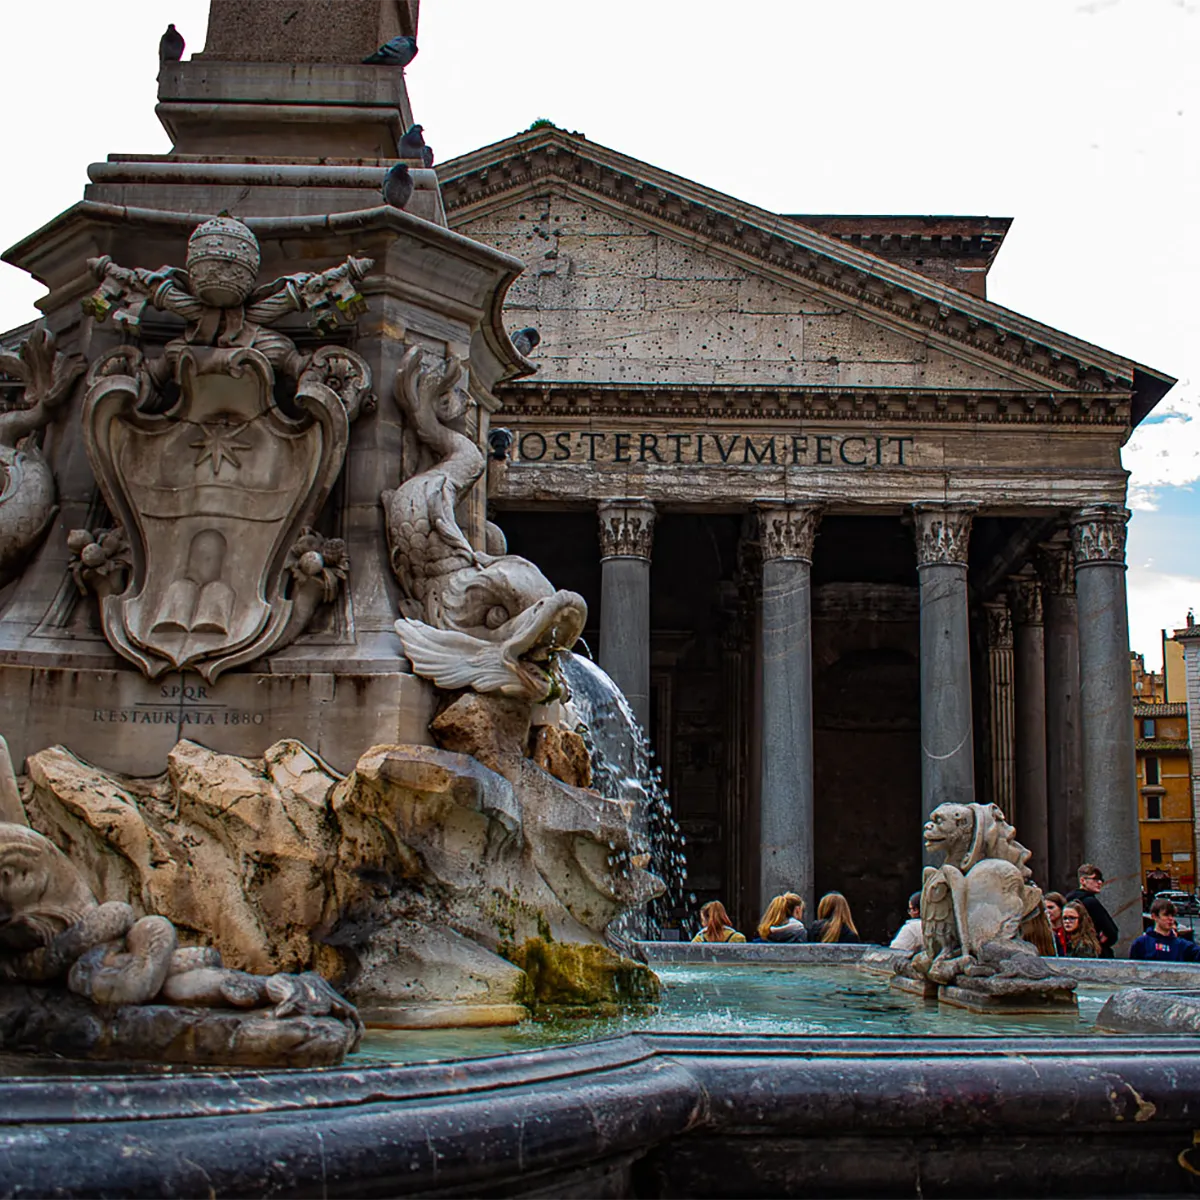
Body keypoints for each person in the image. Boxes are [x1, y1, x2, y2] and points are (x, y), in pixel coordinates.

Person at [1065, 864, 1119, 958]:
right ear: (1083, 881)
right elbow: (1112, 932)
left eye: (1100, 880)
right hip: (1095, 950)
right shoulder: (1091, 902)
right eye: (1095, 879)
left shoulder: (1067, 900)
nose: (1099, 883)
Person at [1130, 897, 1200, 962]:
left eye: (1172, 915)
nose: (1170, 919)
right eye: (1166, 915)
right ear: (1154, 916)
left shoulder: (1182, 945)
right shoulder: (1141, 943)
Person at [1044, 892, 1069, 956]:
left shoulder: (1069, 929)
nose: (1047, 911)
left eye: (1051, 907)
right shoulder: (1043, 932)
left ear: (1061, 909)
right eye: (1044, 908)